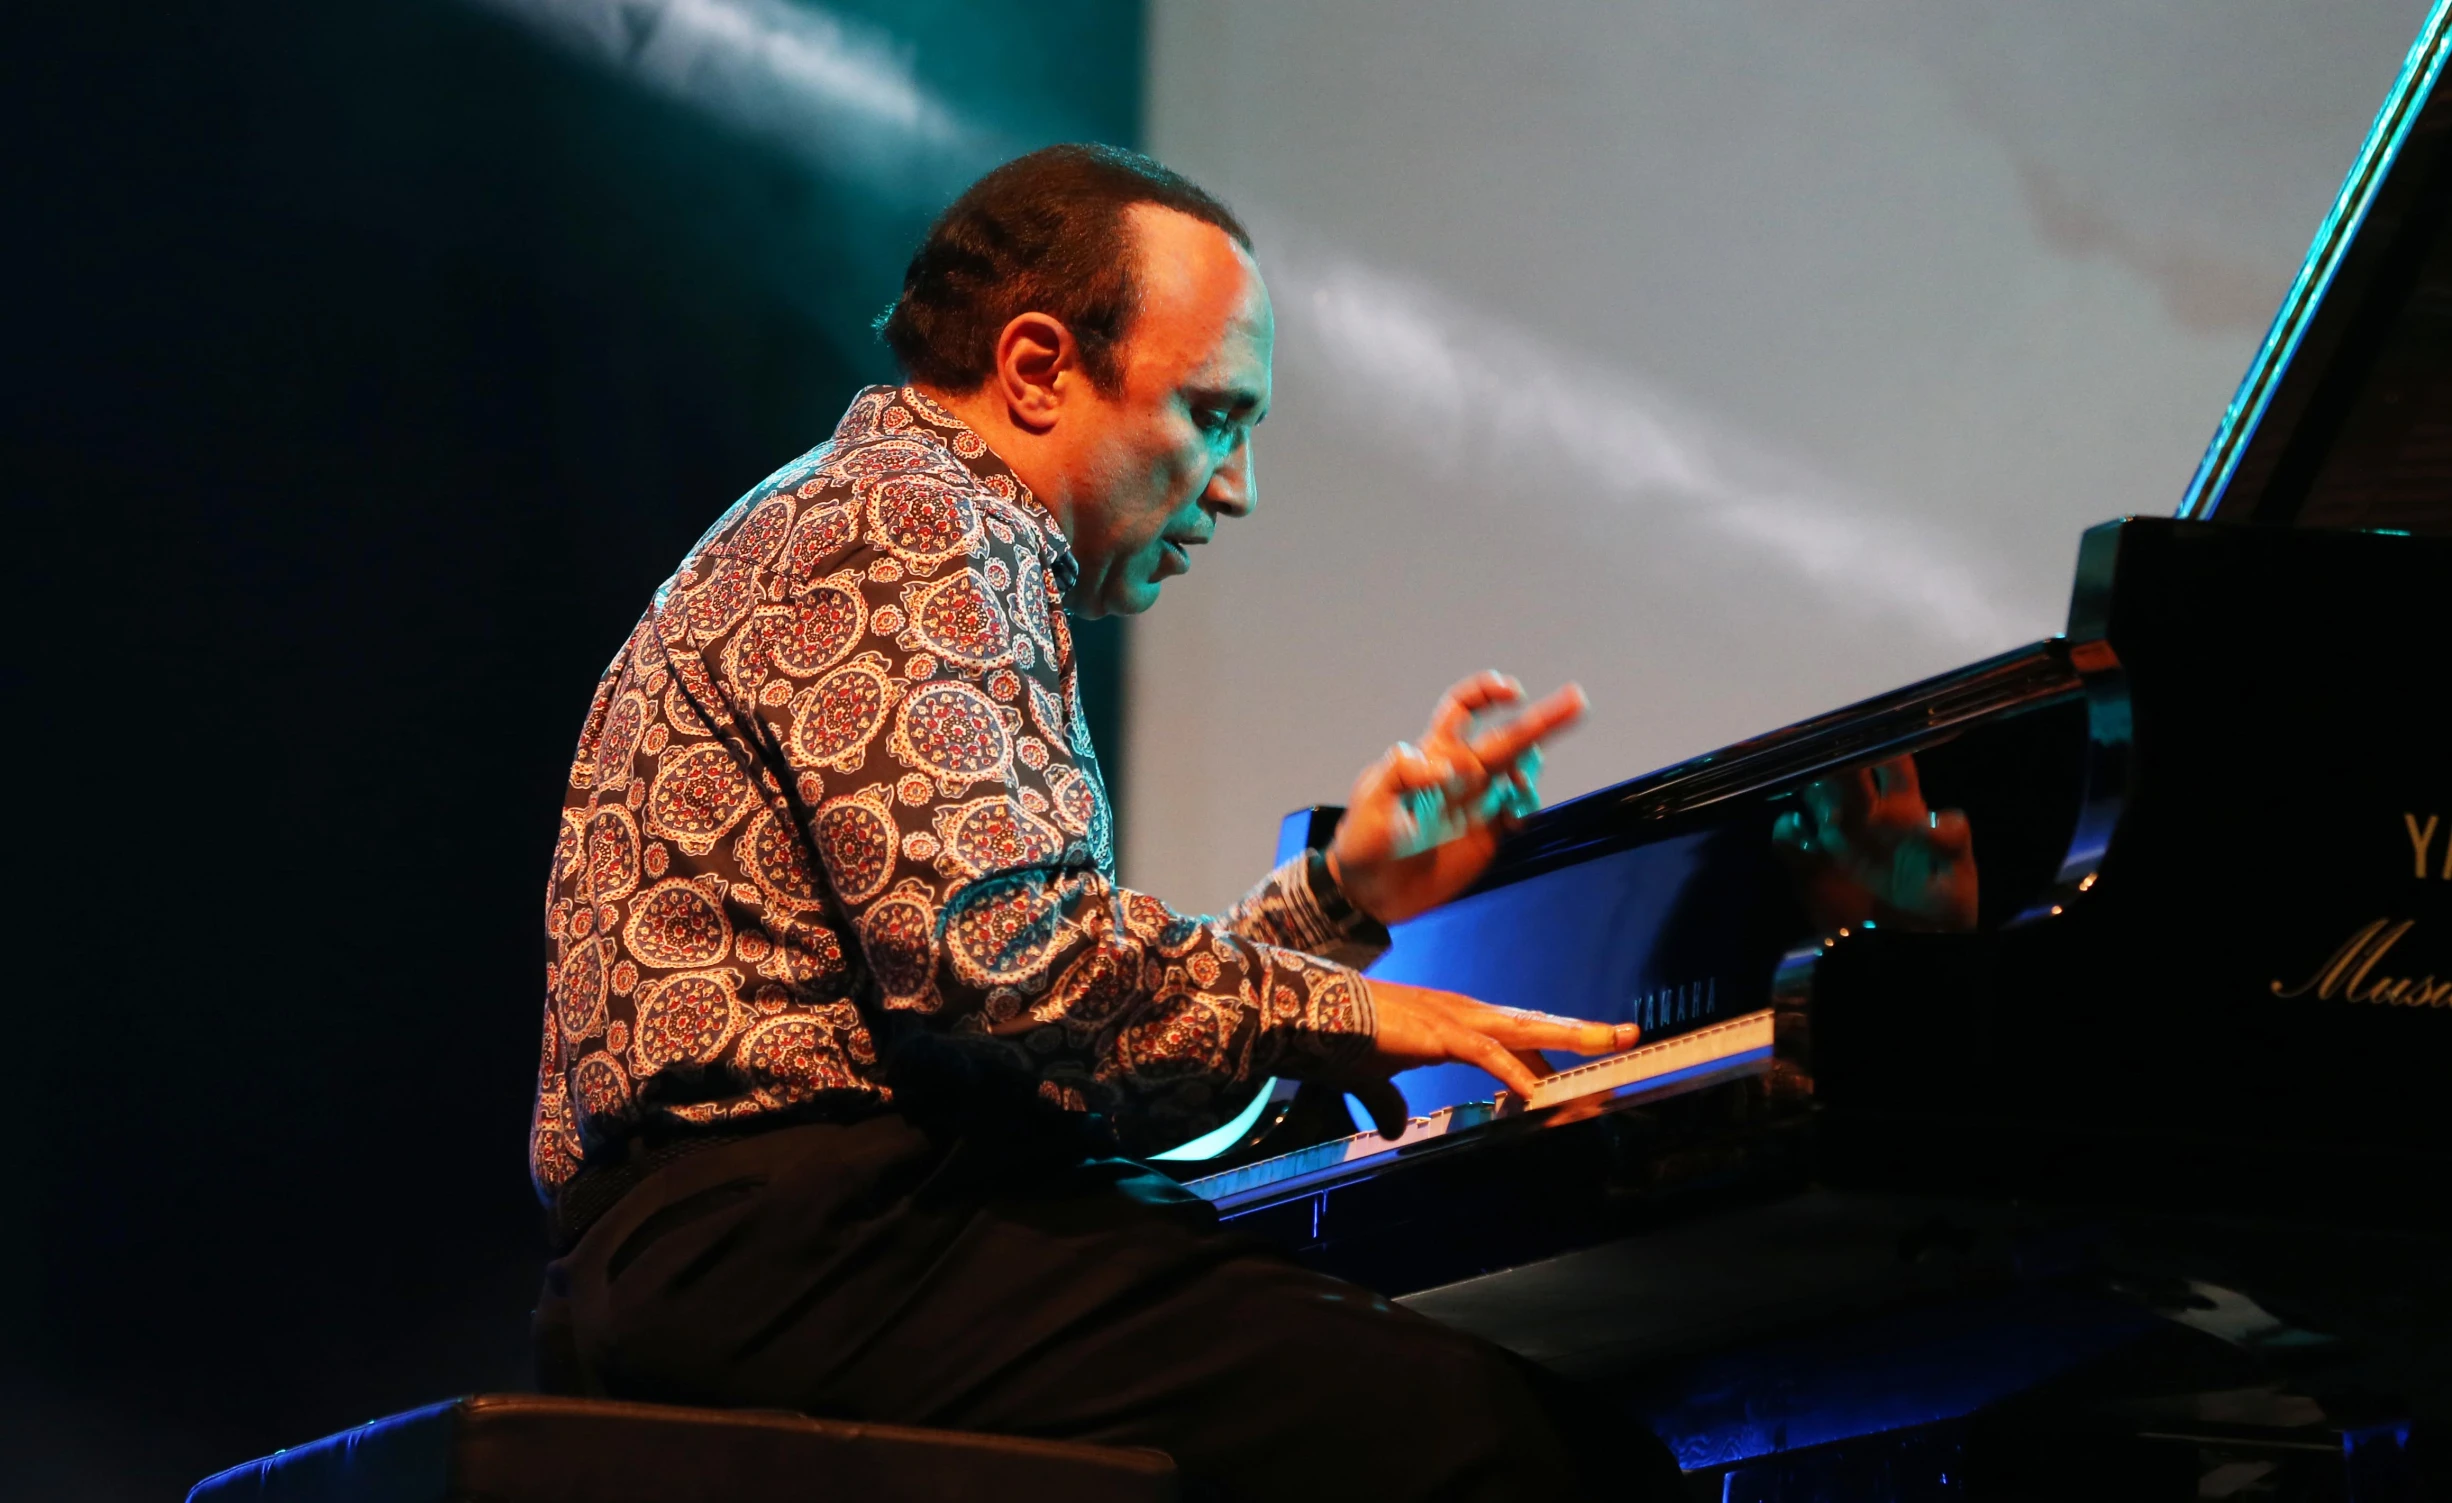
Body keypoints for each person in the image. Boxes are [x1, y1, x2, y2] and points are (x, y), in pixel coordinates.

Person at [529, 143, 1683, 1501]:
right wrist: (1355, 1008)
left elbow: (1044, 1036)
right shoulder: (916, 518)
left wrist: (1338, 899)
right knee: (1519, 1451)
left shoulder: (874, 512)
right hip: (808, 1254)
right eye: (1213, 414)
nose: (1237, 484)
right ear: (1034, 368)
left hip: (788, 1249)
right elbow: (1014, 969)